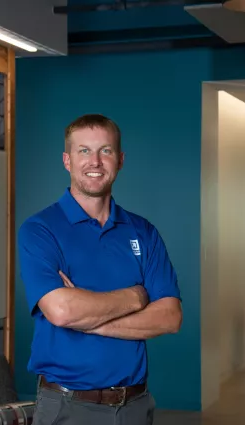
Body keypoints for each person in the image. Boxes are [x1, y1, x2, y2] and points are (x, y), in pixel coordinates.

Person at [18, 114, 182, 425]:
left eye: (105, 151)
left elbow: (170, 317)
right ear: (67, 160)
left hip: (136, 405)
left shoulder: (143, 231)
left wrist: (87, 319)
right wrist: (136, 296)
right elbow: (63, 312)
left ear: (120, 160)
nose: (95, 161)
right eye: (84, 151)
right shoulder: (40, 230)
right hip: (68, 407)